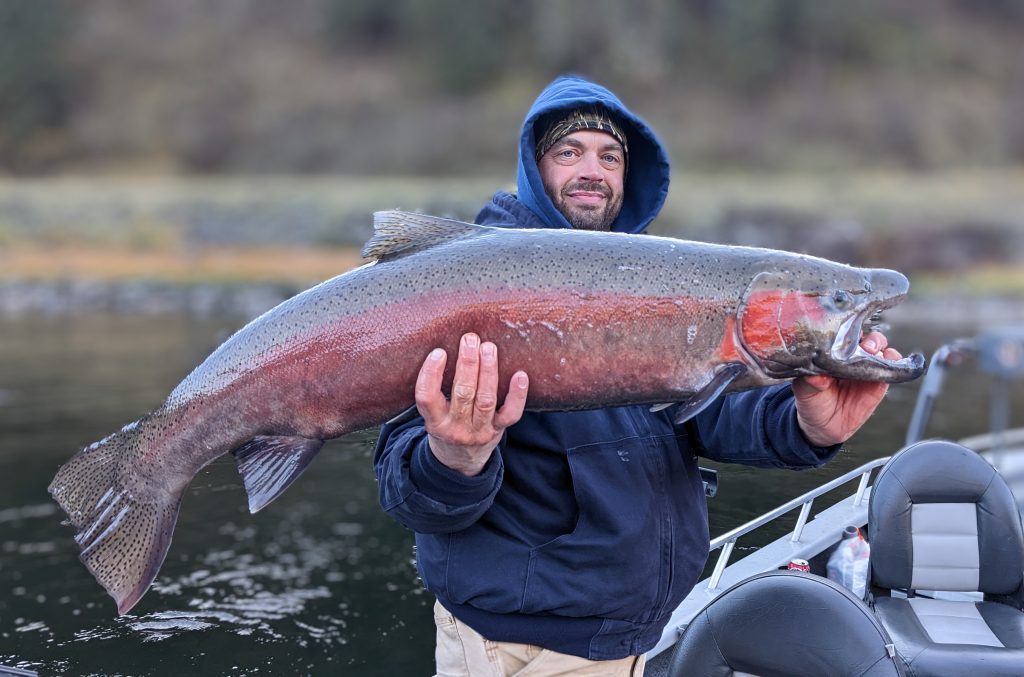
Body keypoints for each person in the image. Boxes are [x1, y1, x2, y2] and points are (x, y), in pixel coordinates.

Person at [373, 75, 902, 676]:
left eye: (610, 156)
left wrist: (809, 426)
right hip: (515, 649)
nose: (592, 169)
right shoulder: (473, 290)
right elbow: (407, 494)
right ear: (532, 169)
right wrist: (455, 459)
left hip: (625, 639)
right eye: (568, 152)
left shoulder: (659, 289)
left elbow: (717, 414)